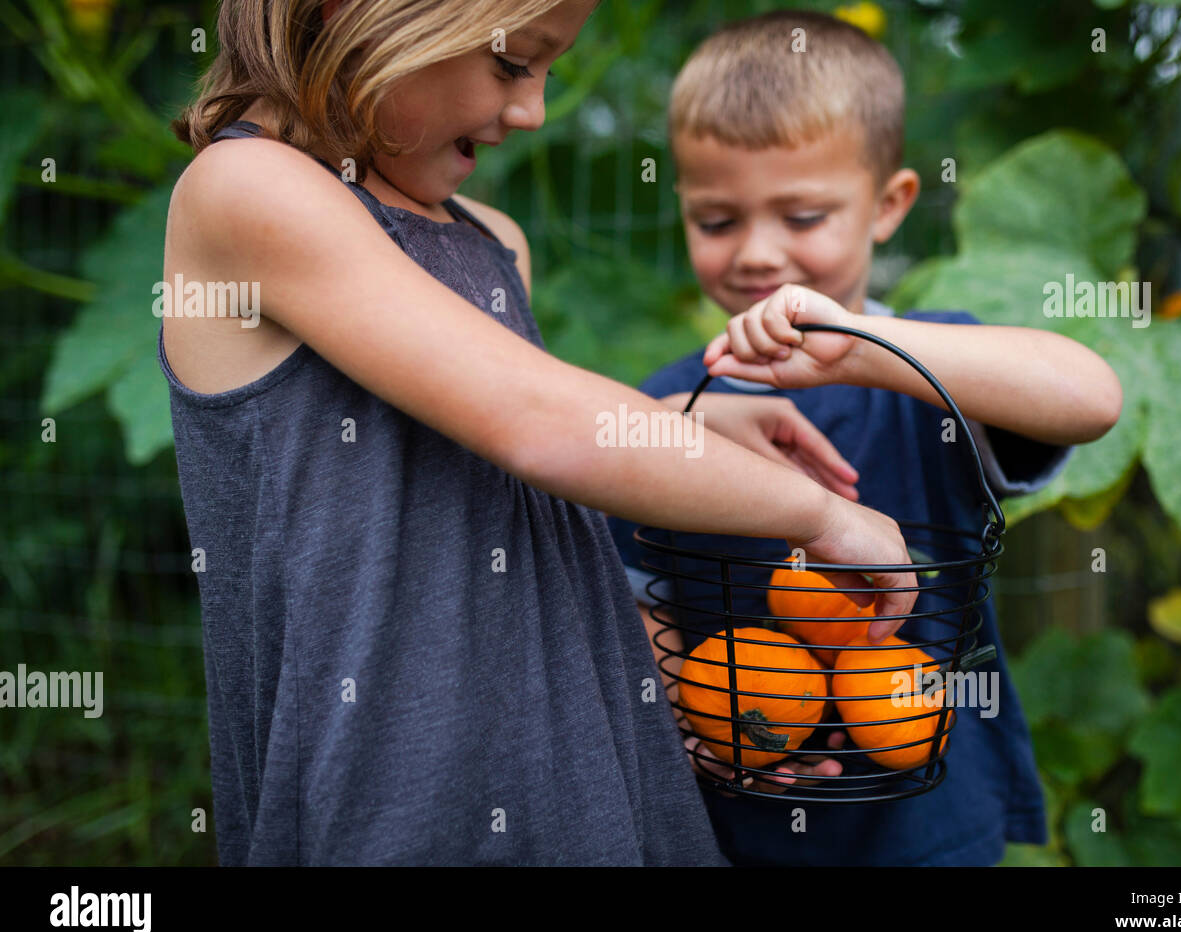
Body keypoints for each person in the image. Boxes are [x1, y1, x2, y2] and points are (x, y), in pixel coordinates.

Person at [157, 0, 919, 865]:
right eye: (515, 63)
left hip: (584, 765)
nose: (533, 111)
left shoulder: (494, 241)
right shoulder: (249, 190)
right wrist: (816, 515)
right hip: (400, 780)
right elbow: (535, 424)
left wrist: (679, 426)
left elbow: (490, 473)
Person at [605, 9, 1123, 866]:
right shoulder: (672, 406)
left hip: (933, 827)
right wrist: (679, 722)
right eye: (717, 219)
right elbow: (638, 602)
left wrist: (871, 351)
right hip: (736, 829)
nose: (758, 254)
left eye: (803, 216)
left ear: (890, 207)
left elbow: (1089, 394)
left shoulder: (931, 375)